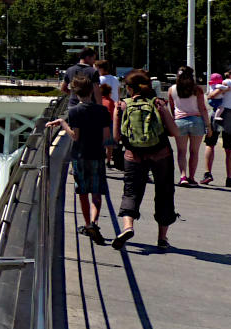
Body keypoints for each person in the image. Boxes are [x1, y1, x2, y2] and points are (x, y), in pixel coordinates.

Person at [116, 71, 180, 248]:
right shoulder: (158, 103)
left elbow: (116, 136)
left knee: (131, 191)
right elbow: (175, 132)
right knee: (164, 192)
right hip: (161, 154)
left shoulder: (122, 105)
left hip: (133, 155)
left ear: (129, 88)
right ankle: (162, 238)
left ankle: (128, 226)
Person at [53, 76, 116, 243]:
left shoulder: (74, 111)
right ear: (92, 91)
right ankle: (94, 223)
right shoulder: (102, 111)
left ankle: (87, 223)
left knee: (82, 192)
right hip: (97, 155)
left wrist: (62, 123)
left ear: (74, 92)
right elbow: (106, 136)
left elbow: (75, 136)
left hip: (80, 155)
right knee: (97, 192)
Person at [175, 68, 213, 184]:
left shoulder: (172, 89)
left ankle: (183, 176)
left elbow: (172, 109)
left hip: (180, 122)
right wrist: (208, 126)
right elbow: (203, 108)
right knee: (194, 152)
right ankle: (191, 177)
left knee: (181, 151)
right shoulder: (197, 90)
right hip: (196, 122)